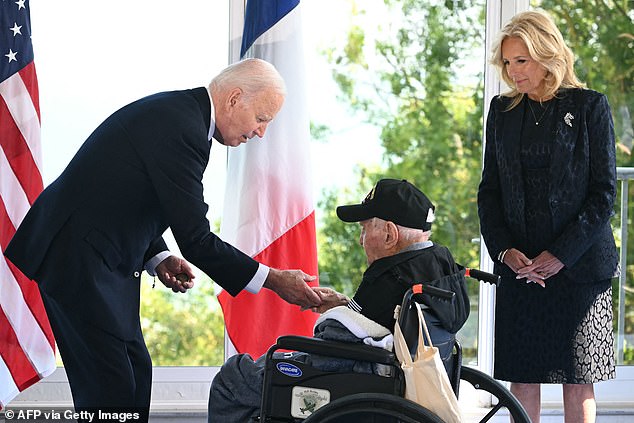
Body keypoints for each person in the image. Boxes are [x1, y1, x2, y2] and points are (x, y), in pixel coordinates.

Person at [4, 58, 321, 420]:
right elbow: (197, 239)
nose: (261, 132)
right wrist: (274, 279)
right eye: (262, 118)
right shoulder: (182, 127)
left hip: (100, 258)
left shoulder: (183, 117)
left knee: (134, 375)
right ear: (235, 99)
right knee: (113, 391)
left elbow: (128, 194)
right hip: (76, 260)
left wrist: (158, 256)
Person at [208, 178, 470, 422]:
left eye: (365, 229)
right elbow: (377, 322)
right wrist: (344, 306)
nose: (360, 240)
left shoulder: (390, 275)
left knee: (233, 378)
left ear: (390, 234)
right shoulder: (440, 266)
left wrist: (333, 320)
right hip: (399, 380)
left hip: (355, 383)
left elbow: (336, 348)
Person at [477, 10, 618, 423]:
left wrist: (560, 255)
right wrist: (504, 251)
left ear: (547, 53)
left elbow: (603, 193)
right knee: (522, 380)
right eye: (506, 62)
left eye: (521, 60)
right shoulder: (501, 111)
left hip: (579, 269)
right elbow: (490, 192)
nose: (512, 71)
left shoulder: (589, 106)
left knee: (578, 382)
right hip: (522, 270)